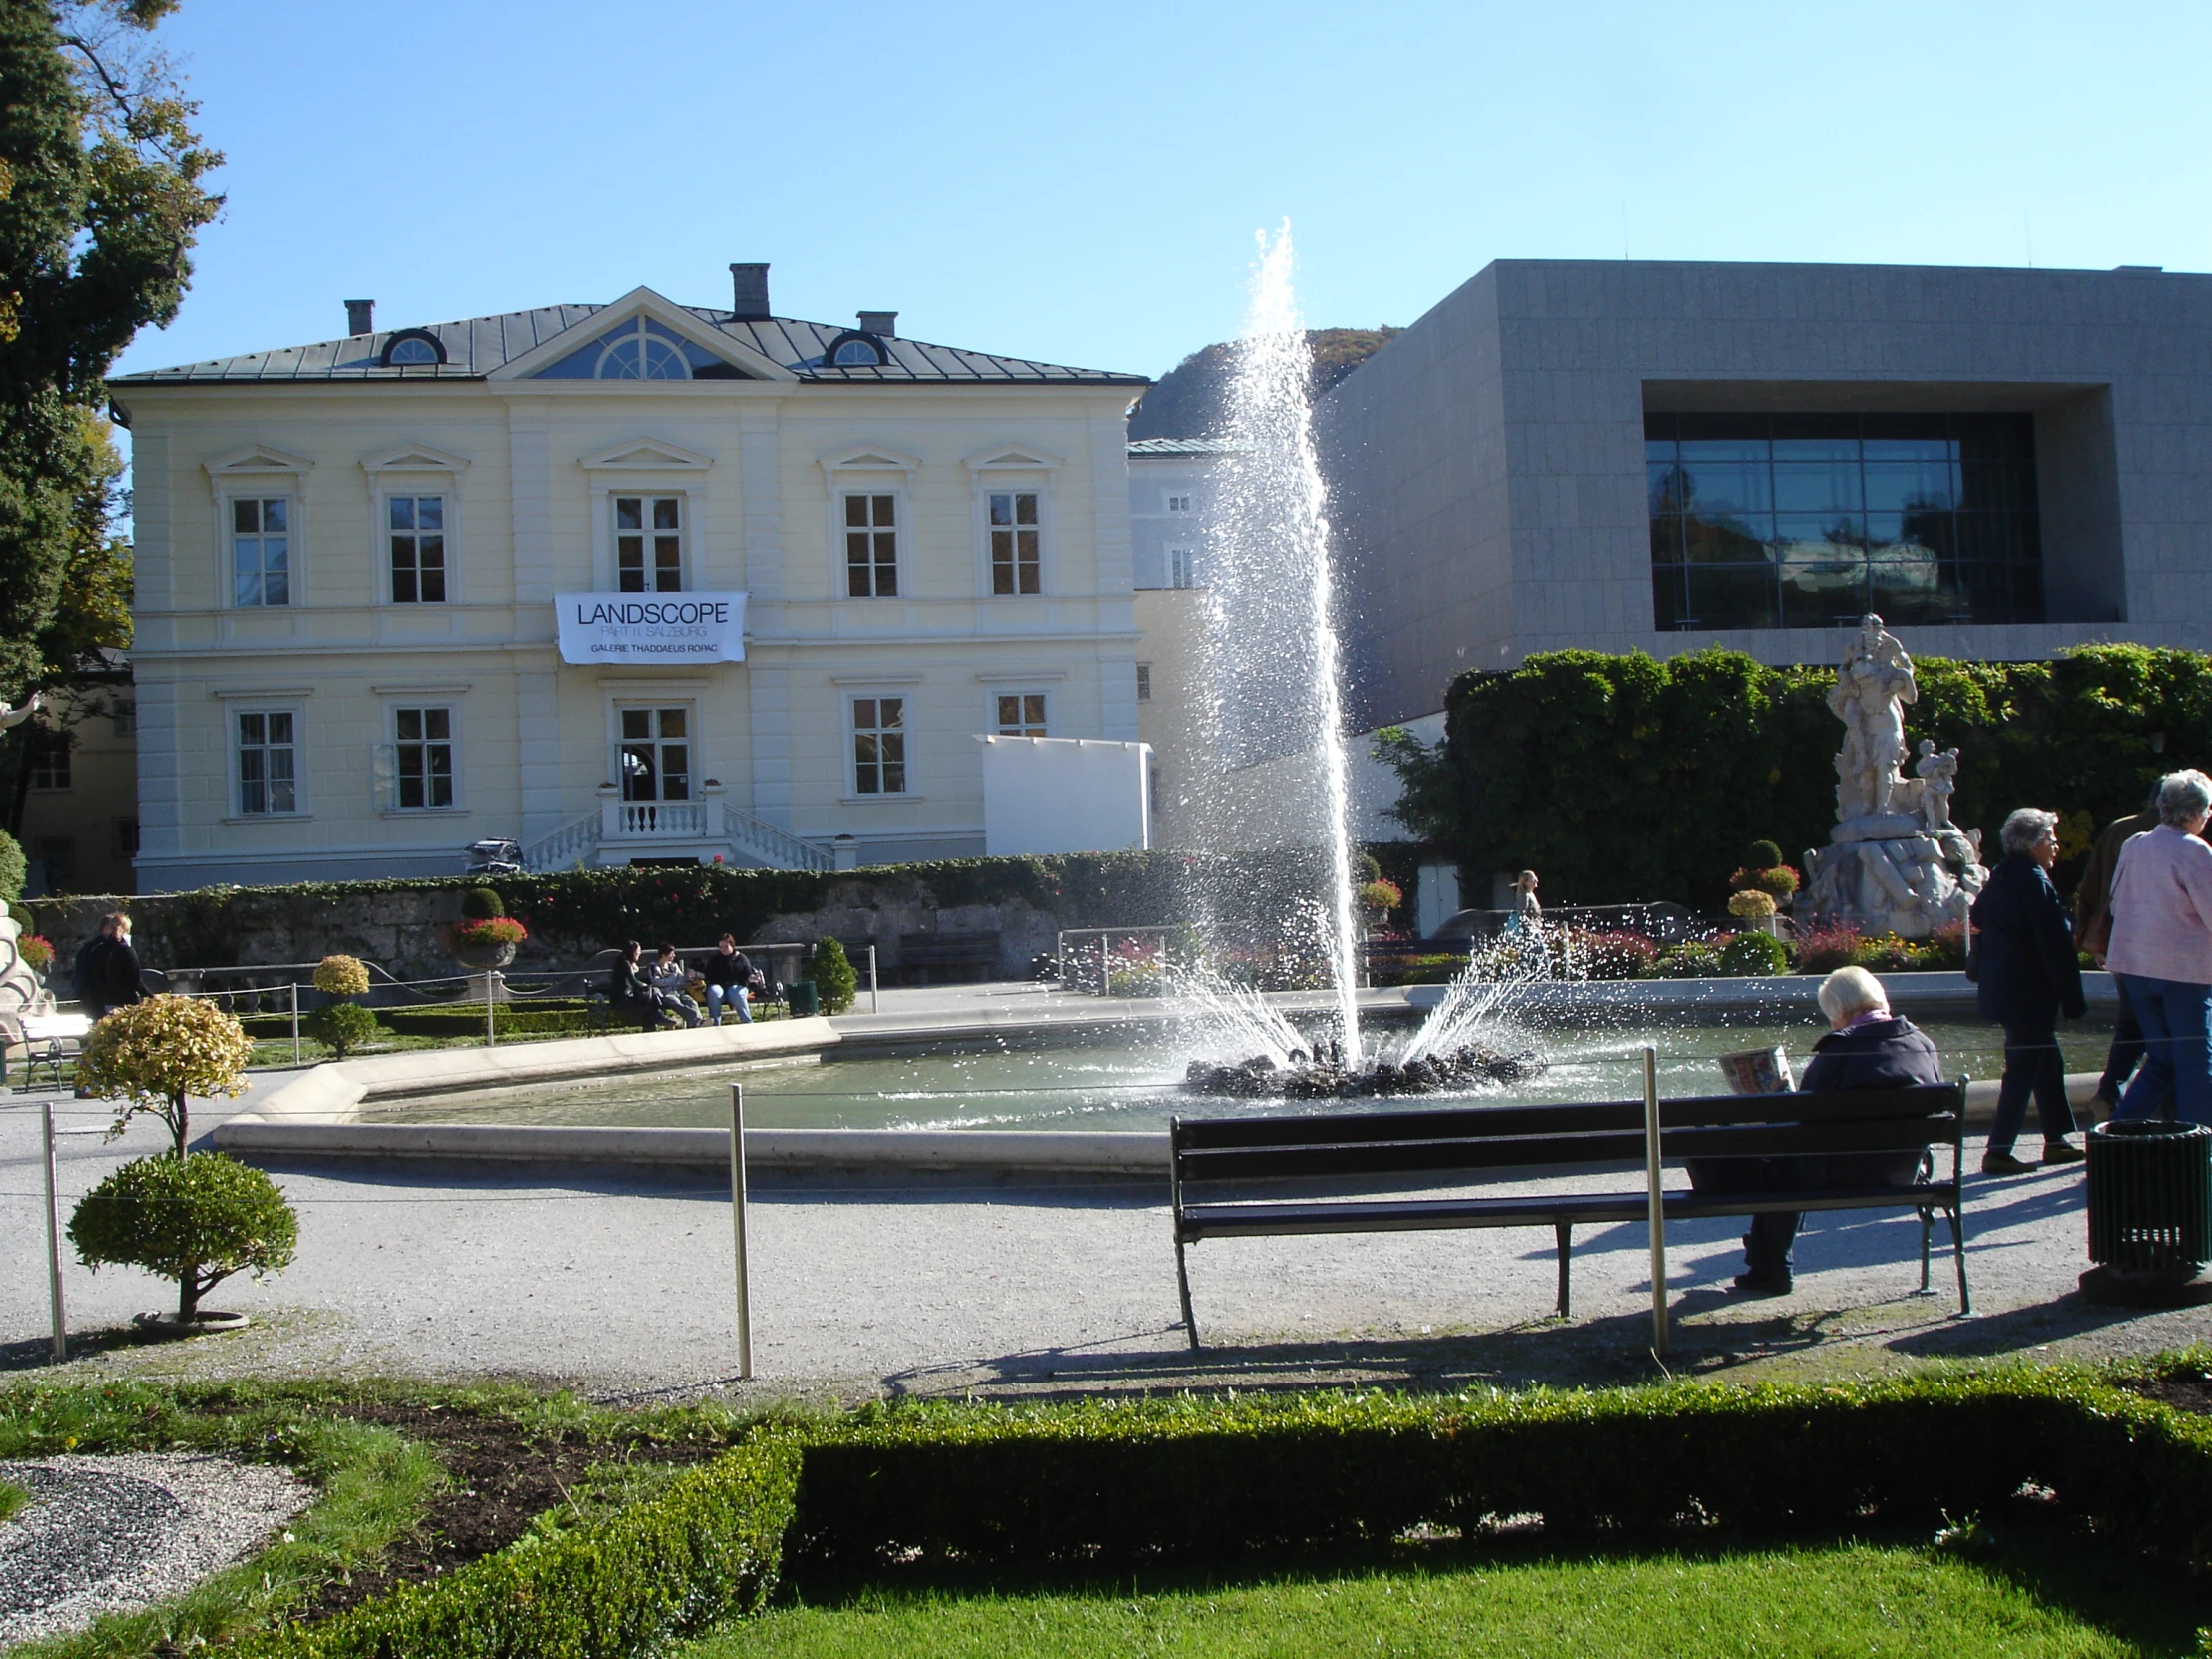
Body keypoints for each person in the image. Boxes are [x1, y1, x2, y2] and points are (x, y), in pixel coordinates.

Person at [1692, 966, 1942, 1295]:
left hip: (1836, 1174)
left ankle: (1772, 1268)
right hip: (1903, 1170)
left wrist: (1776, 1100)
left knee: (1781, 1170)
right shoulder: (1922, 1044)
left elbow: (1803, 1126)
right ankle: (1766, 1265)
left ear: (1839, 1012)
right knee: (1789, 1166)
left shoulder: (1839, 1051)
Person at [1970, 807, 2087, 1175]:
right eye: (2051, 839)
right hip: (2030, 994)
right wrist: (2073, 999)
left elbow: (1976, 924)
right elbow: (2055, 946)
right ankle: (1998, 1151)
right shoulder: (2034, 881)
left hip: (2006, 991)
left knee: (2047, 1061)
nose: (2056, 846)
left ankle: (2056, 1140)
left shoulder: (2002, 876)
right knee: (2022, 1069)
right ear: (2034, 844)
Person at [2104, 769, 2212, 1126]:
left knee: (2162, 1059)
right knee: (2196, 1065)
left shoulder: (2135, 844)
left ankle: (2117, 1137)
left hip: (2135, 969)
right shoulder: (2195, 851)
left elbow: (2116, 902)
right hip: (2183, 973)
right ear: (2196, 812)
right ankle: (2201, 1151)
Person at [2073, 789, 2162, 1117]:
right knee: (2169, 1034)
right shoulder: (2183, 836)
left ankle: (2111, 1092)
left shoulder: (2118, 829)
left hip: (2119, 945)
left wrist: (2089, 935)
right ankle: (2151, 1113)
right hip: (2167, 950)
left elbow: (2091, 885)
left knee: (2131, 1025)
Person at [608, 940, 669, 1032]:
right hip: (621, 999)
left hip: (627, 995)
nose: (639, 954)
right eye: (638, 951)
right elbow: (632, 982)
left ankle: (652, 1025)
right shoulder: (624, 964)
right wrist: (645, 986)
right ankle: (657, 1018)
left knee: (650, 1000)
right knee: (651, 995)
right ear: (632, 952)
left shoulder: (626, 963)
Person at [699, 934, 755, 1025]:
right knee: (714, 992)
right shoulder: (715, 959)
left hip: (736, 986)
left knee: (735, 992)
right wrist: (696, 974)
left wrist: (752, 978)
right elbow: (707, 974)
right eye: (720, 947)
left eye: (726, 947)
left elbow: (748, 973)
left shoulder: (741, 958)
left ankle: (747, 1022)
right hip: (719, 986)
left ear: (732, 946)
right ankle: (714, 1023)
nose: (723, 950)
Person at [649, 943, 704, 1028]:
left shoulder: (673, 966)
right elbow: (655, 982)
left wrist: (686, 977)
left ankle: (697, 1022)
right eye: (671, 954)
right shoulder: (654, 967)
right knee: (676, 1003)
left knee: (691, 1002)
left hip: (678, 992)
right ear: (663, 955)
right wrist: (672, 979)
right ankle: (698, 1022)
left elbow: (680, 979)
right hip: (665, 994)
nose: (673, 956)